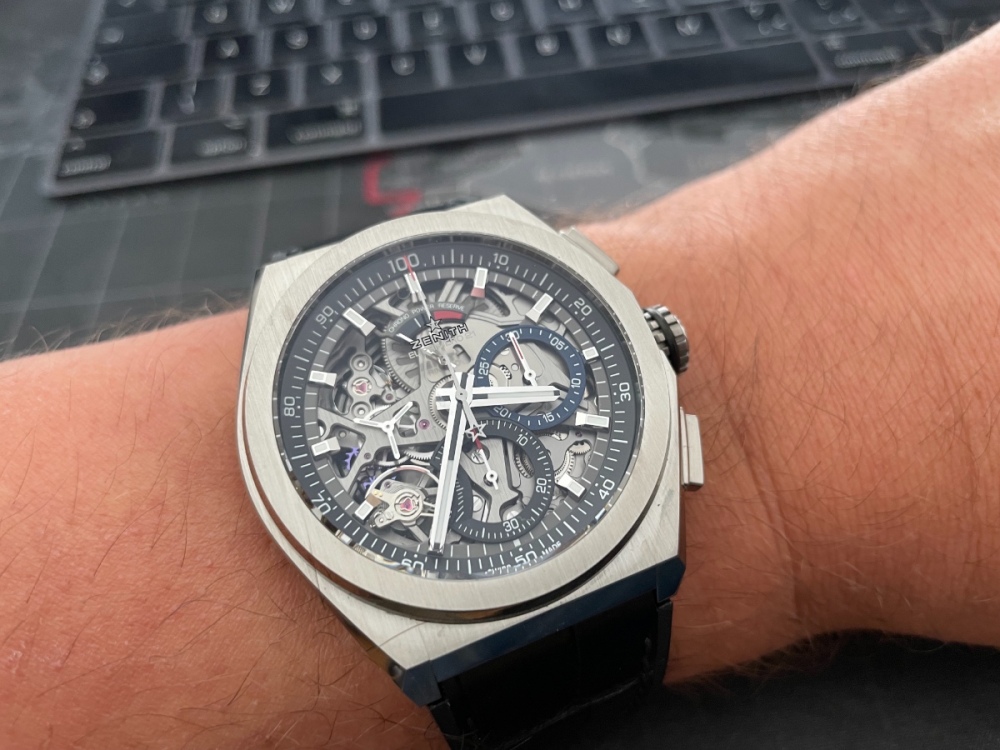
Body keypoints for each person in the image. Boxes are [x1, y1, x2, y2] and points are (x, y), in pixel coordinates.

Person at [4, 23, 1000, 749]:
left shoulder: (561, 368)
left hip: (524, 509)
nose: (450, 396)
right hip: (422, 521)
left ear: (654, 339)